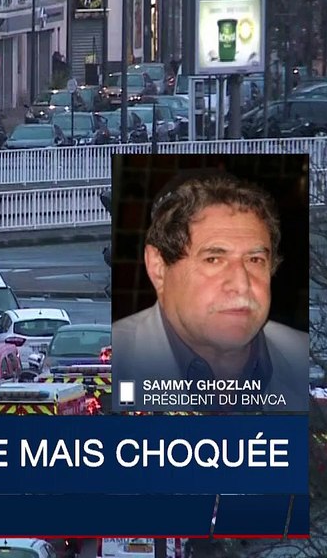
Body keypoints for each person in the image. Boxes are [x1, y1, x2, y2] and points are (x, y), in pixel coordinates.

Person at [112, 169, 309, 412]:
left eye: (255, 260)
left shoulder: (303, 356)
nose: (241, 284)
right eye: (214, 259)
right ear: (158, 267)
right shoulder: (116, 363)